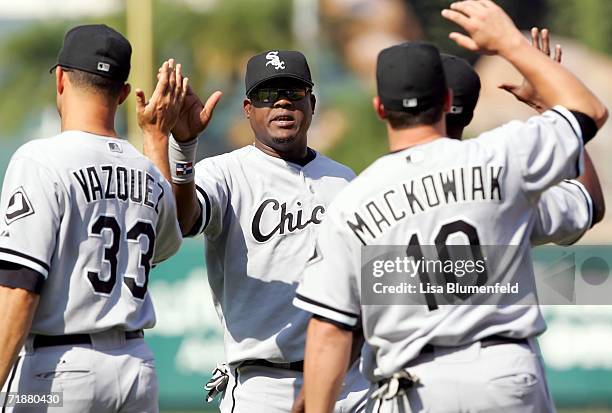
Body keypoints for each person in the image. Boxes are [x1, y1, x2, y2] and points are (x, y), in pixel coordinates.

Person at [294, 1, 608, 412]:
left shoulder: (352, 201)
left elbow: (331, 331)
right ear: (444, 99)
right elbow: (589, 114)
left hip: (416, 385)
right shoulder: (501, 159)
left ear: (380, 109)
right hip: (504, 372)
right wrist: (512, 45)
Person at [142, 51, 369, 412]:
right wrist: (183, 150)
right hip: (266, 384)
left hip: (349, 382)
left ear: (311, 103)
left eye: (293, 92)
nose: (281, 101)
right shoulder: (226, 173)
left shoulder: (344, 179)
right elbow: (183, 222)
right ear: (248, 108)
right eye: (267, 94)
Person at [0, 24, 185, 412]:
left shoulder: (39, 161)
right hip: (137, 368)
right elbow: (166, 245)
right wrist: (156, 141)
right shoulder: (148, 172)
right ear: (121, 94)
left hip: (59, 374)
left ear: (62, 79)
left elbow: (20, 289)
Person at [441, 29, 604, 245]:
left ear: (384, 109)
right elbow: (589, 203)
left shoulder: (383, 183)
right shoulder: (506, 181)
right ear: (470, 115)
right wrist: (549, 105)